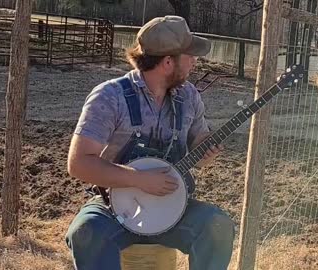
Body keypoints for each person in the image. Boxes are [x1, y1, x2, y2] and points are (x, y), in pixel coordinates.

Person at [65, 15, 235, 270]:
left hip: (174, 209)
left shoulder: (188, 96)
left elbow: (199, 144)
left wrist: (206, 150)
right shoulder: (110, 97)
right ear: (168, 62)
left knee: (218, 226)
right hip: (114, 209)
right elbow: (78, 164)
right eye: (189, 56)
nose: (195, 62)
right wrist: (140, 179)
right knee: (85, 232)